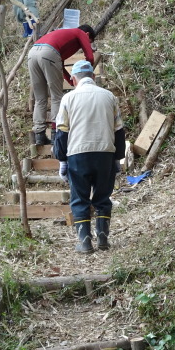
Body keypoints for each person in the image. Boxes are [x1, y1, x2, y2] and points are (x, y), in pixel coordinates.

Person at [54, 60, 125, 255]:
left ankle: (85, 242)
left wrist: (62, 160)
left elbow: (61, 132)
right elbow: (119, 131)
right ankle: (103, 239)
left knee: (80, 198)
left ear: (74, 80)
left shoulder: (68, 99)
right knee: (103, 197)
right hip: (105, 153)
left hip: (78, 155)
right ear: (93, 77)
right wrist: (118, 158)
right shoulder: (109, 97)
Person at [28, 25, 96, 146]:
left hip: (32, 53)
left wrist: (71, 81)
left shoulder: (63, 36)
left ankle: (39, 135)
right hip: (48, 53)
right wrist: (87, 76)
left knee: (40, 98)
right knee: (57, 96)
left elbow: (60, 65)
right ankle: (56, 133)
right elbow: (89, 56)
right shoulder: (80, 33)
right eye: (89, 42)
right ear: (88, 35)